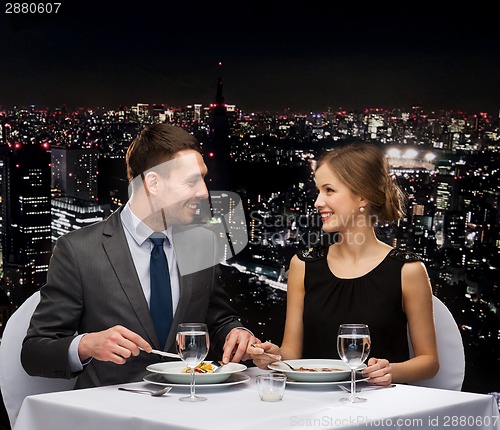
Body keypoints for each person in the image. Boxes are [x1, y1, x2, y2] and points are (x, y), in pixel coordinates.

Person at [21, 123, 256, 389]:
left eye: (203, 179)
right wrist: (85, 345)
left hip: (189, 410)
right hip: (110, 417)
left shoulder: (201, 243)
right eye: (192, 181)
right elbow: (34, 353)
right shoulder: (78, 250)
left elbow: (218, 320)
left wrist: (237, 333)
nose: (203, 192)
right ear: (153, 183)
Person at [251, 143, 439, 385]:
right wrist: (273, 357)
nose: (318, 202)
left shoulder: (408, 270)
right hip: (312, 402)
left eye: (329, 191)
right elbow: (291, 354)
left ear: (362, 196)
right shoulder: (303, 265)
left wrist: (390, 371)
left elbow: (429, 361)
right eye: (318, 191)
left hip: (382, 408)